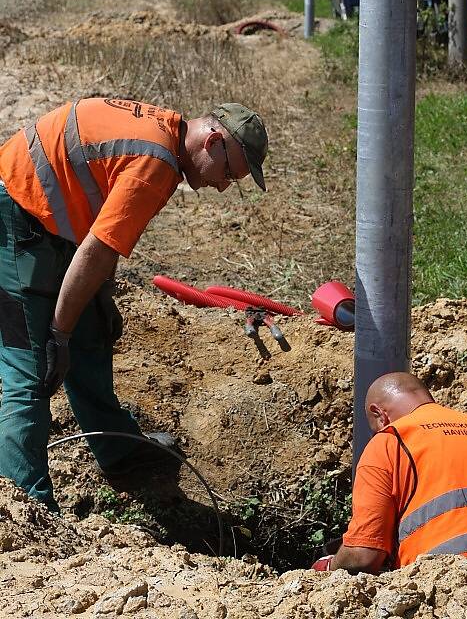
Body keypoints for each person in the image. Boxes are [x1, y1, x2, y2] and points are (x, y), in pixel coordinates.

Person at [0, 97, 268, 512]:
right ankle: (25, 507)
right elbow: (96, 252)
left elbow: (99, 232)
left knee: (90, 334)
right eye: (230, 172)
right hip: (16, 211)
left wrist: (93, 305)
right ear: (214, 141)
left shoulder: (162, 136)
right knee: (31, 369)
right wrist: (58, 331)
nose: (223, 186)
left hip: (51, 218)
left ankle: (119, 452)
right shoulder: (155, 163)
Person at [312, 372, 467, 574]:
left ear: (379, 414)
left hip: (442, 590)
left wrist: (329, 567)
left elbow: (363, 554)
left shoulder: (391, 441)